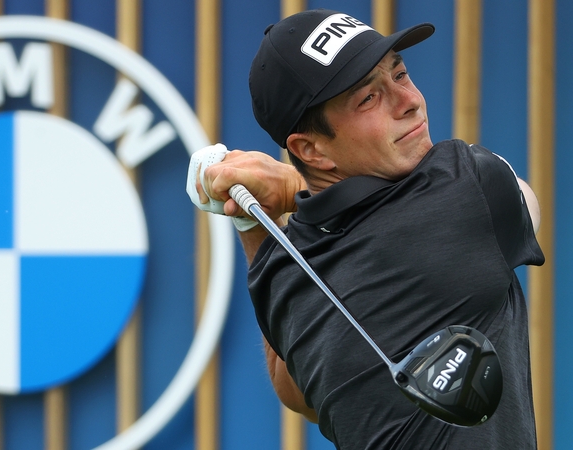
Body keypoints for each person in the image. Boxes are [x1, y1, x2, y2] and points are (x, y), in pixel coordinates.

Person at [186, 9, 544, 449]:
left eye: (400, 73)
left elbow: (297, 391)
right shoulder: (463, 187)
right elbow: (522, 197)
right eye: (368, 99)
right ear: (311, 149)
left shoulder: (281, 273)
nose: (408, 99)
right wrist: (287, 184)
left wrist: (251, 219)